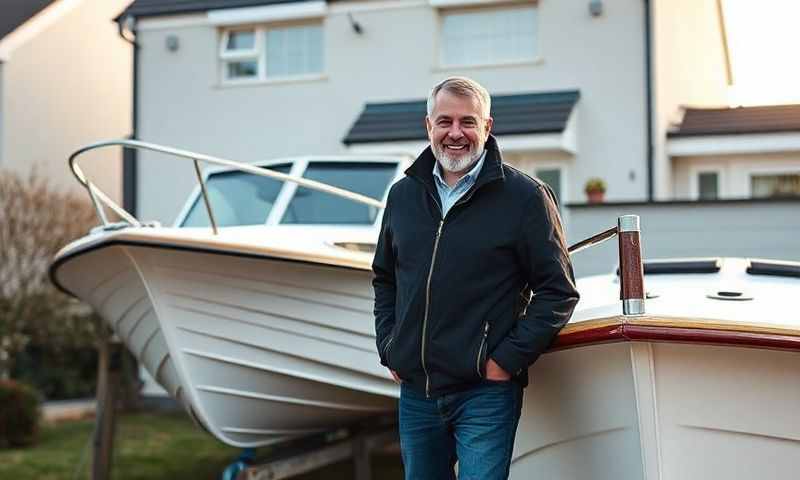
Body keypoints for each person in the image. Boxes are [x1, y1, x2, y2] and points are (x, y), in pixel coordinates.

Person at [372, 76, 580, 480]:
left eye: (468, 122)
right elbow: (385, 278)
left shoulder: (526, 197)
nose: (455, 133)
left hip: (484, 392)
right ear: (427, 126)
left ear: (487, 127)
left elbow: (558, 292)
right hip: (417, 391)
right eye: (444, 121)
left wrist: (505, 360)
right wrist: (390, 347)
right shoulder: (402, 196)